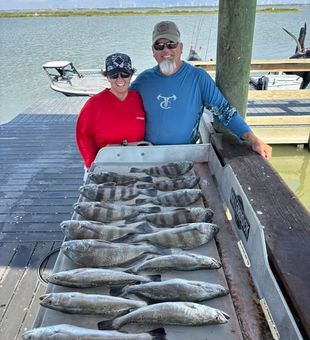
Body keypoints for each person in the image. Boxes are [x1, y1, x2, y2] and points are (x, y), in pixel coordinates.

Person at [131, 21, 272, 160]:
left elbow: (224, 110)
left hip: (187, 155)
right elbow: (121, 104)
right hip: (149, 155)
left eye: (171, 44)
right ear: (153, 51)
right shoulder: (143, 81)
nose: (166, 50)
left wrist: (253, 139)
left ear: (181, 47)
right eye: (159, 46)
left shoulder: (198, 77)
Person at [76, 53, 145, 172]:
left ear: (131, 75)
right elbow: (82, 136)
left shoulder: (139, 98)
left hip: (136, 164)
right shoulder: (94, 104)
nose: (119, 79)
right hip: (104, 166)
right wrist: (93, 165)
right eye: (114, 75)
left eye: (125, 74)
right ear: (107, 77)